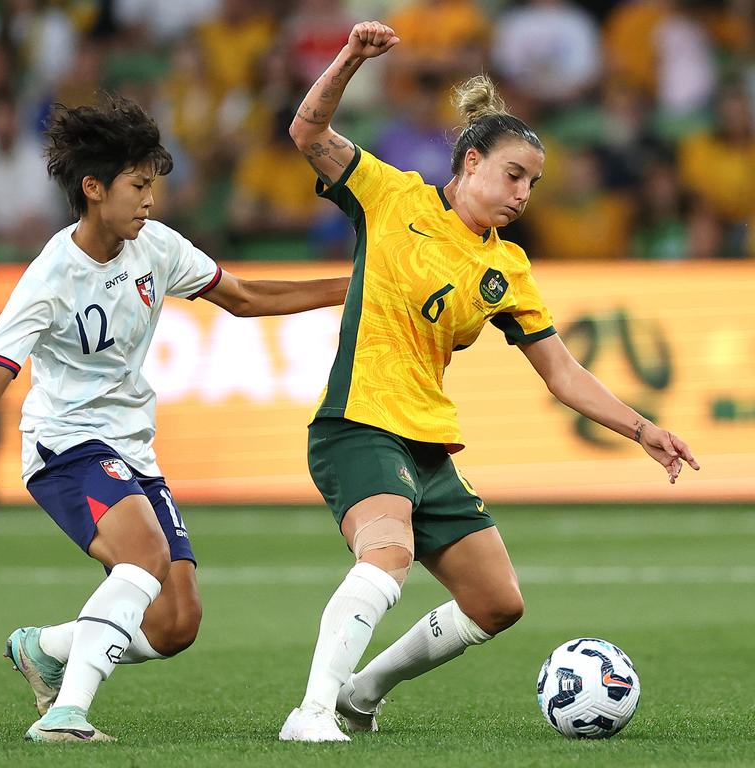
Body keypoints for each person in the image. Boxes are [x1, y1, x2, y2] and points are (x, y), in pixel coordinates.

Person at [280, 21, 700, 743]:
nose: (523, 193)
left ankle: (360, 692)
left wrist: (643, 429)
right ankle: (309, 714)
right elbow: (306, 128)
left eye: (533, 182)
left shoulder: (508, 269)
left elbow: (561, 372)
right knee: (388, 557)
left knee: (498, 601)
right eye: (513, 175)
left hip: (427, 441)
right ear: (470, 162)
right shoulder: (391, 197)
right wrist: (350, 57)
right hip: (358, 424)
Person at [0, 93, 349, 744]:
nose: (149, 200)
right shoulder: (52, 275)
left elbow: (243, 298)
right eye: (138, 186)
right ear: (93, 188)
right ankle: (65, 716)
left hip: (130, 449)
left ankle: (45, 647)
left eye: (152, 186)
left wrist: (351, 285)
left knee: (174, 623)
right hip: (64, 446)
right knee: (143, 556)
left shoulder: (156, 248)